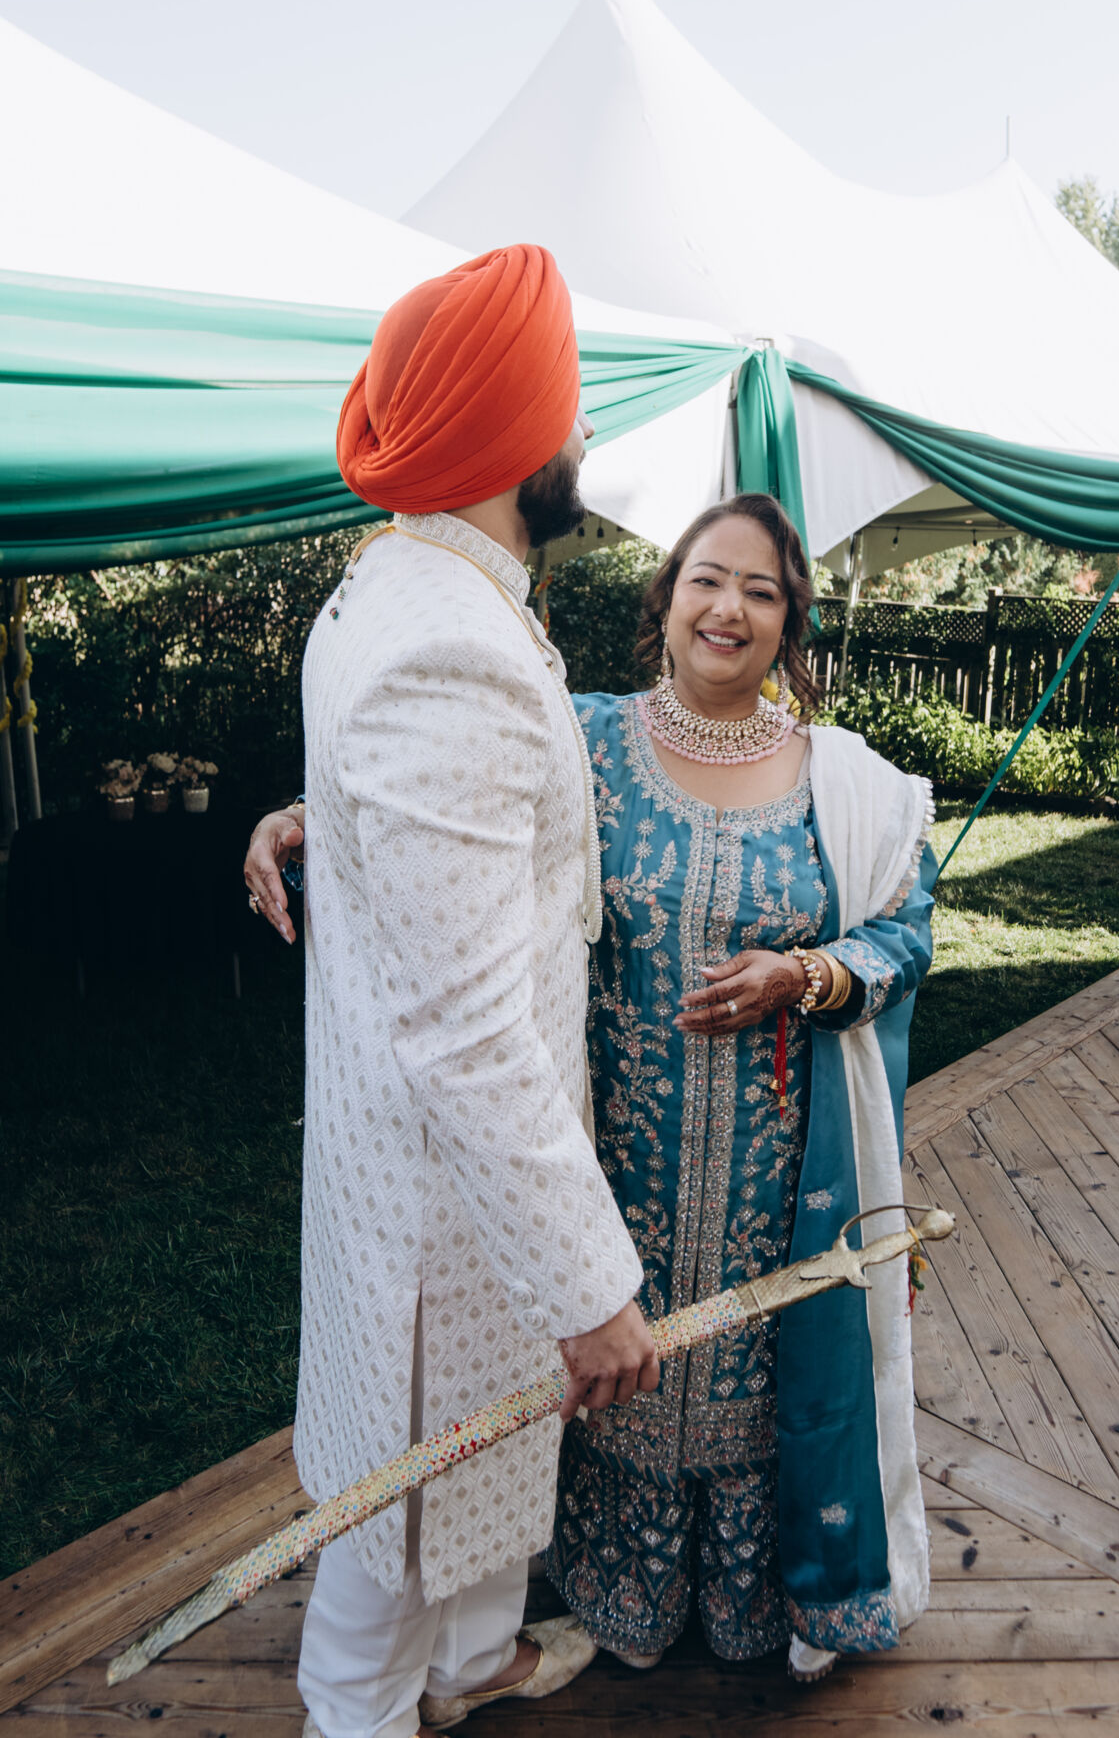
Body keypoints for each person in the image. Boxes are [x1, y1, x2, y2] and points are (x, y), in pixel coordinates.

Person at [250, 493, 935, 1690]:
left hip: (773, 1179)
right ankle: (590, 1593)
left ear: (791, 624)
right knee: (611, 1381)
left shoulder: (848, 785)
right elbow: (438, 801)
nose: (729, 609)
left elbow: (905, 932)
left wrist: (806, 975)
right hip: (605, 1161)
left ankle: (746, 1600)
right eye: (706, 580)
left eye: (761, 592)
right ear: (664, 599)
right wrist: (307, 818)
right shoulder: (586, 740)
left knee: (750, 1383)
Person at [259, 244, 656, 1738]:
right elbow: (470, 1031)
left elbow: (423, 835)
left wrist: (312, 823)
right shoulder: (450, 645)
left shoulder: (401, 588)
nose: (586, 432)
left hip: (421, 1180)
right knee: (397, 1521)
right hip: (447, 1208)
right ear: (510, 434)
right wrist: (590, 1285)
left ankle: (465, 1670)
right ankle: (361, 1712)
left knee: (453, 1480)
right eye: (569, 405)